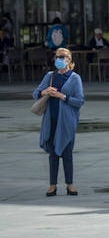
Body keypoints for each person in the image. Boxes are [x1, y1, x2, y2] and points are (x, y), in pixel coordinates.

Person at [33, 46, 85, 197]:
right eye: (57, 57)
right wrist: (45, 92)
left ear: (69, 60)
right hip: (51, 119)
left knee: (67, 153)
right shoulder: (49, 75)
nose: (59, 60)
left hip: (67, 121)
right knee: (53, 154)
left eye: (62, 57)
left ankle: (70, 184)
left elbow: (79, 101)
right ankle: (52, 185)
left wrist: (62, 96)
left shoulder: (75, 78)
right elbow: (36, 93)